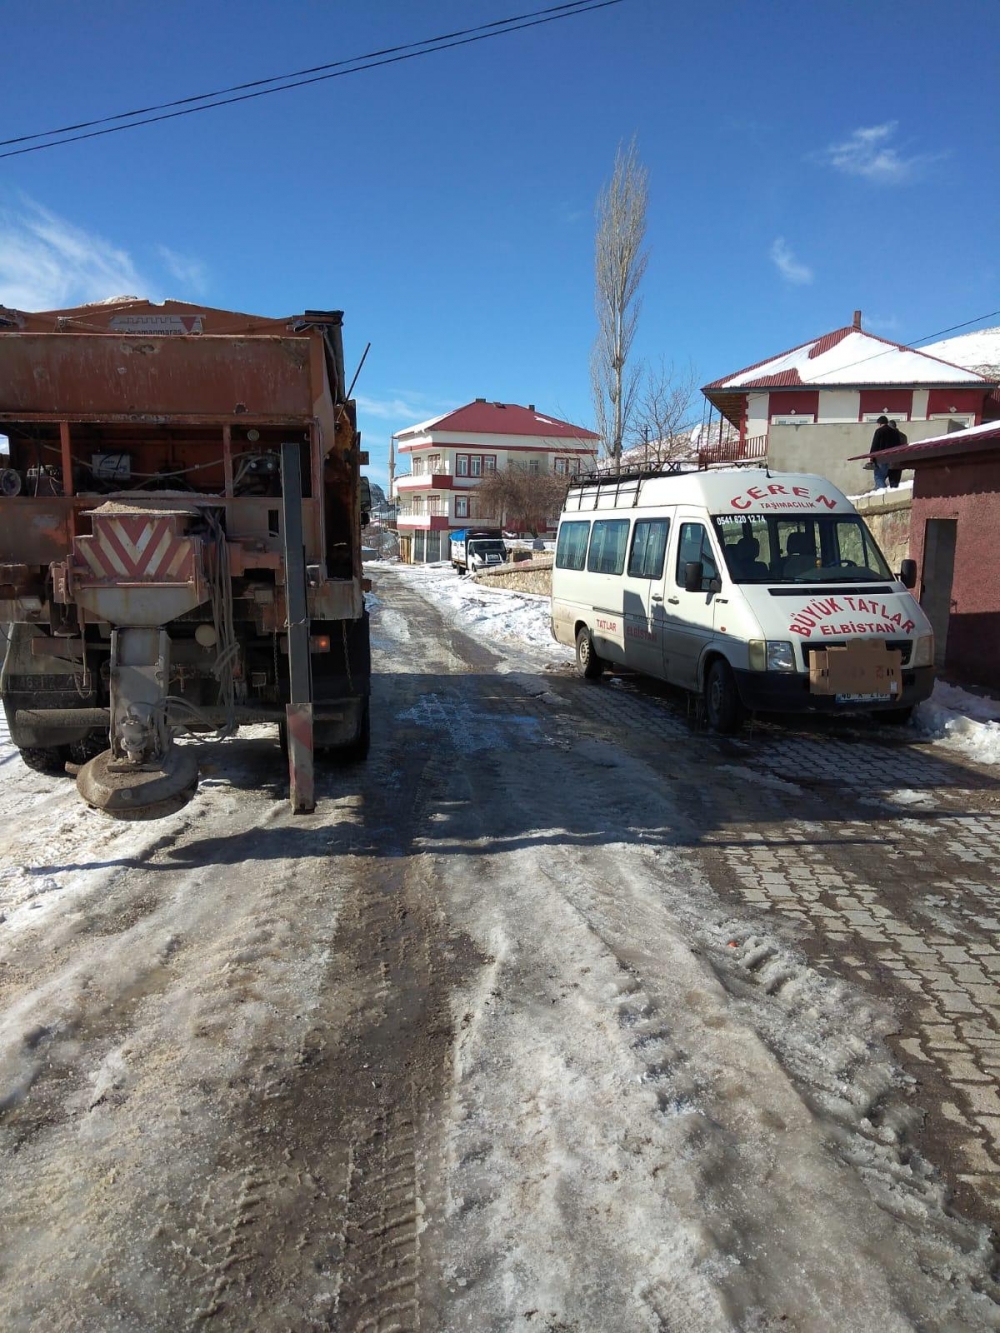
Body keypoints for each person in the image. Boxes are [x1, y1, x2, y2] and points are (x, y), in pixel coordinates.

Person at [870, 415, 902, 489]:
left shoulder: (879, 431)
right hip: (892, 459)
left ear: (880, 423)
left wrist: (871, 457)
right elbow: (898, 445)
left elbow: (875, 444)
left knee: (879, 477)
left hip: (881, 458)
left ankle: (883, 492)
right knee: (888, 479)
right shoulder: (894, 432)